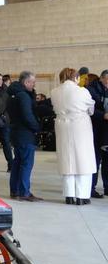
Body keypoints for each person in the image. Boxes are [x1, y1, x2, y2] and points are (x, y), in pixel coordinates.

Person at [52, 68, 96, 205]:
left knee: (67, 160)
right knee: (83, 160)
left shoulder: (54, 92)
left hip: (62, 125)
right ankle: (82, 196)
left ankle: (69, 195)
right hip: (79, 125)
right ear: (75, 78)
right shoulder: (82, 91)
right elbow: (91, 109)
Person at [7, 72, 41, 201]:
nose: (34, 85)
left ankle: (15, 191)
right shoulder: (24, 96)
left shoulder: (12, 95)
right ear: (26, 82)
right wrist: (36, 127)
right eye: (32, 82)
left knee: (18, 162)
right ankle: (24, 192)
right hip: (25, 134)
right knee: (26, 164)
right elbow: (28, 116)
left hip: (16, 132)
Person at [87, 70, 108, 197]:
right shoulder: (91, 90)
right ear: (102, 79)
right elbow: (91, 109)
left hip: (106, 131)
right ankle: (91, 188)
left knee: (107, 160)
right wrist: (104, 115)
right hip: (95, 129)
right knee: (94, 160)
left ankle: (107, 187)